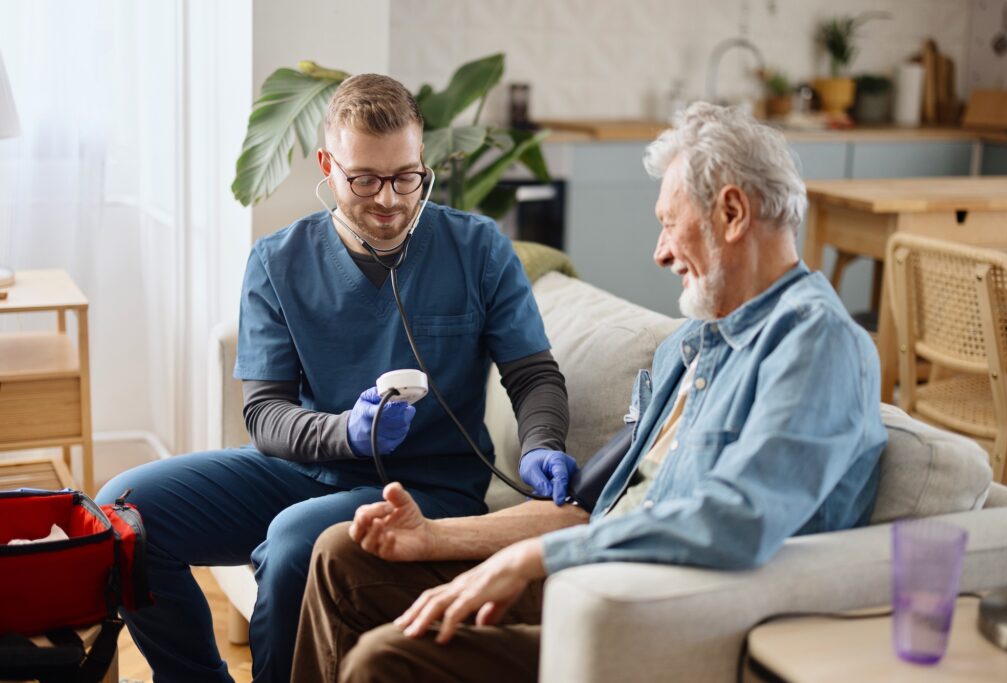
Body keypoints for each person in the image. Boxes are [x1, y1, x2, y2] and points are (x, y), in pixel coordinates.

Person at [290, 102, 890, 683]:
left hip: (654, 619)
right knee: (343, 555)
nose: (659, 253)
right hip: (586, 577)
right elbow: (583, 510)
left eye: (667, 223)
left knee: (387, 661)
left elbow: (739, 521)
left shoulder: (818, 345)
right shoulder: (690, 346)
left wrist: (535, 560)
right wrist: (432, 538)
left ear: (731, 213)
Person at [95, 74, 573, 683]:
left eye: (406, 177)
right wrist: (347, 431)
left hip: (424, 491)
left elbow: (533, 376)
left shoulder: (478, 250)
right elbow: (265, 414)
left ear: (422, 161)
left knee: (296, 542)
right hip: (302, 469)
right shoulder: (278, 260)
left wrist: (541, 444)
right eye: (365, 179)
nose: (390, 200)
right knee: (124, 512)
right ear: (327, 165)